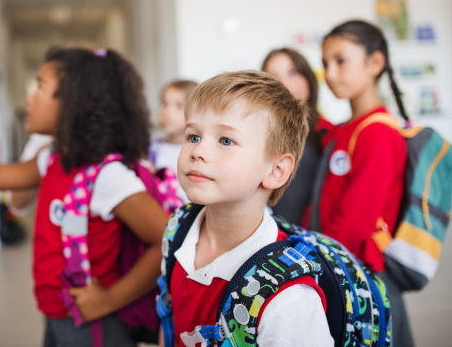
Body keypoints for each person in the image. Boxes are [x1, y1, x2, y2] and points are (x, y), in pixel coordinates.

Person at [0, 47, 167, 347]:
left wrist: (107, 300)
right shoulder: (52, 159)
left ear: (74, 104)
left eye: (40, 87)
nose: (30, 98)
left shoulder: (107, 176)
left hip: (94, 321)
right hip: (56, 312)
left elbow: (163, 240)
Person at [162, 70, 333, 346]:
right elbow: (169, 320)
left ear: (277, 170)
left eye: (226, 140)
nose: (197, 151)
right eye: (193, 136)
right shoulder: (178, 229)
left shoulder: (289, 298)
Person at [310, 19, 412, 346]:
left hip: (362, 275)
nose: (330, 73)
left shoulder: (379, 133)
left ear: (375, 63)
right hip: (340, 266)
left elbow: (356, 222)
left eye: (341, 61)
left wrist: (314, 267)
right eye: (325, 63)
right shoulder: (346, 129)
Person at [262, 48, 333, 224]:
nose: (284, 82)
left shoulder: (330, 133)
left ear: (308, 77)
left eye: (293, 73)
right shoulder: (256, 134)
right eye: (274, 75)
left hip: (313, 240)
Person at [149, 80, 198, 203]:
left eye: (178, 106)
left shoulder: (198, 151)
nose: (168, 112)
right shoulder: (151, 149)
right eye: (164, 104)